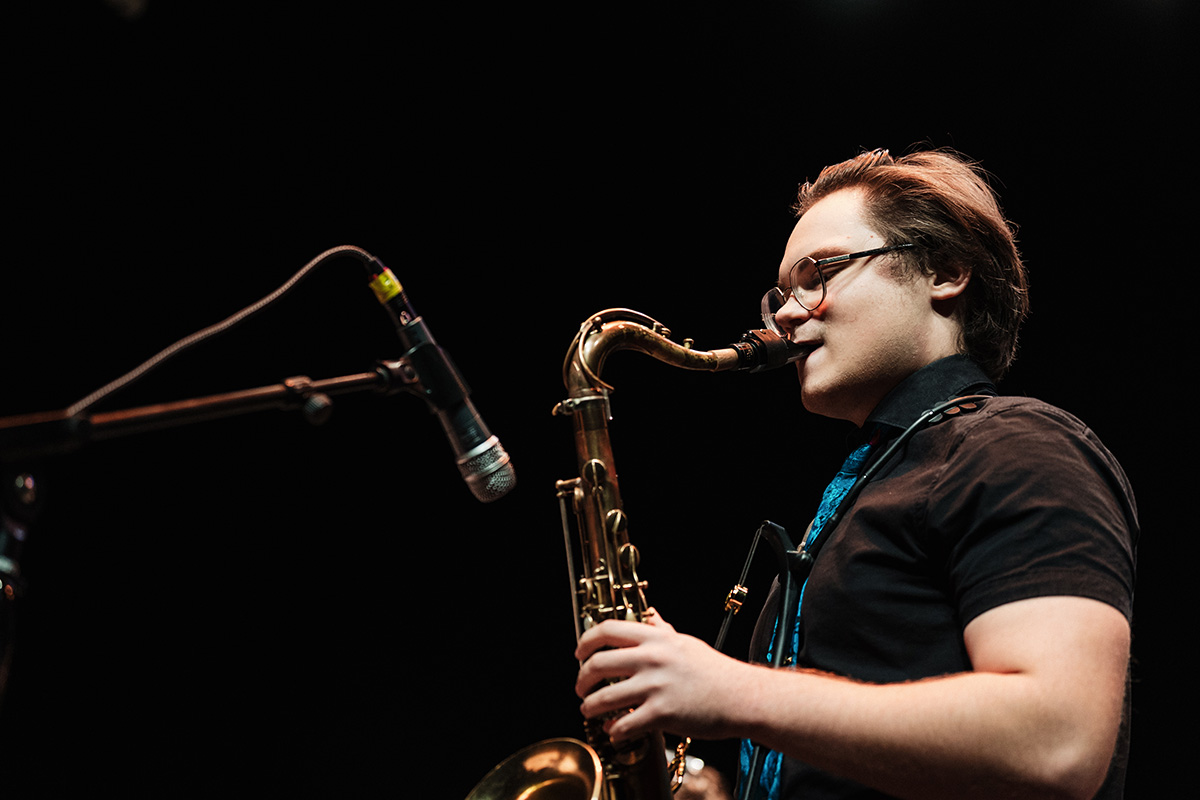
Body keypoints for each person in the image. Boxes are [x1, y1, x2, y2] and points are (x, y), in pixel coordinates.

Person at [573, 148, 1137, 800]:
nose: (785, 315)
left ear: (944, 271)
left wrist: (729, 688)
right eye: (782, 293)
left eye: (820, 274)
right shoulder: (879, 478)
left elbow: (1058, 742)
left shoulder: (1019, 446)